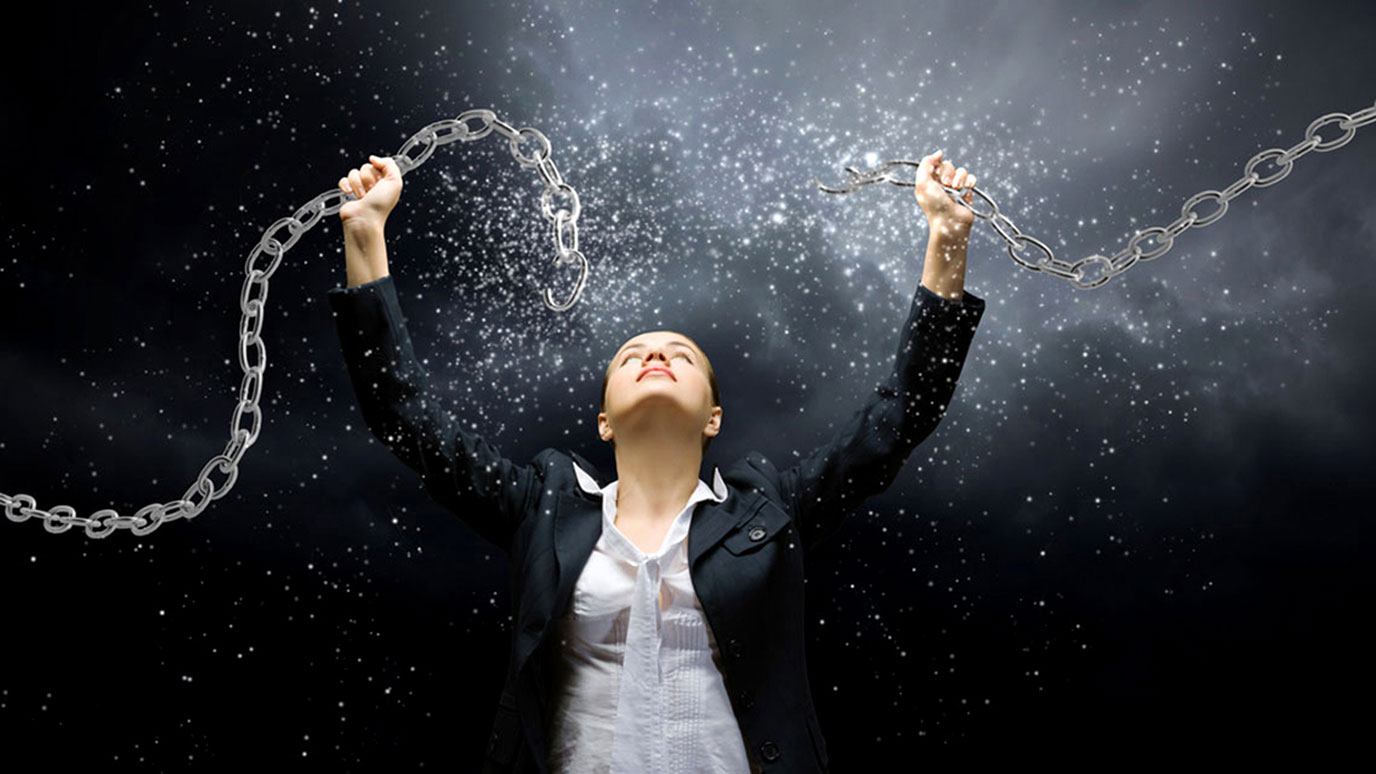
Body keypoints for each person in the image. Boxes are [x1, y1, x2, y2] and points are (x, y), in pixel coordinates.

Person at [327, 150, 985, 773]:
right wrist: (364, 233)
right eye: (632, 354)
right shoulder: (542, 507)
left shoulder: (769, 512)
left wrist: (947, 238)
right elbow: (405, 417)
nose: (656, 355)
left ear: (713, 418)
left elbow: (898, 419)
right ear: (605, 421)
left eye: (682, 354)